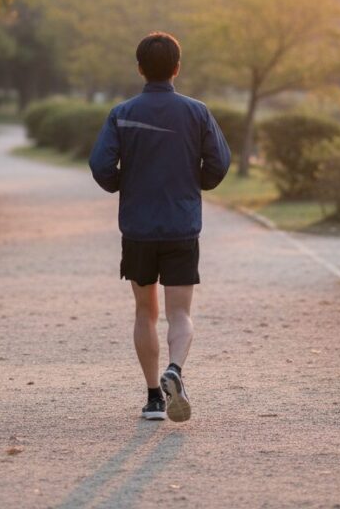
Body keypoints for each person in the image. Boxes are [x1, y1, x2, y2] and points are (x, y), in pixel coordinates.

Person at [89, 32, 231, 422]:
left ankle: (154, 397)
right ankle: (176, 370)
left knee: (144, 312)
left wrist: (124, 184)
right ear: (177, 68)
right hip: (181, 226)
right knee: (180, 313)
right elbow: (219, 163)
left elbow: (101, 166)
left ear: (139, 69)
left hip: (138, 228)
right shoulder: (197, 112)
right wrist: (195, 183)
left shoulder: (122, 113)